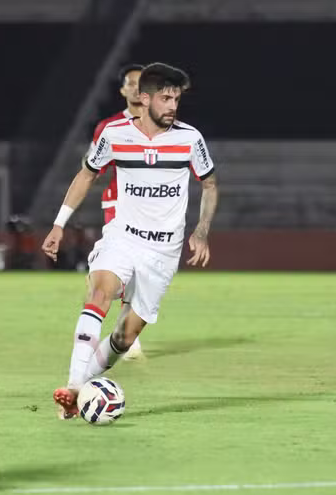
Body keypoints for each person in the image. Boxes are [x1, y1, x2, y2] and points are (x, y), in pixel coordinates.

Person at [42, 62, 219, 418]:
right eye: (166, 99)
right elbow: (86, 175)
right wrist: (59, 224)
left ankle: (81, 389)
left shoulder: (189, 138)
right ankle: (74, 385)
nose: (172, 106)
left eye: (176, 100)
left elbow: (210, 184)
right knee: (100, 291)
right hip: (123, 237)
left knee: (124, 338)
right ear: (144, 98)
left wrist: (201, 230)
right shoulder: (114, 135)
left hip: (164, 251)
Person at [93, 63, 146, 359]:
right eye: (131, 84)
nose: (137, 89)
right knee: (123, 263)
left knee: (142, 270)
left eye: (143, 84)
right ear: (123, 90)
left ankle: (125, 330)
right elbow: (93, 167)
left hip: (151, 208)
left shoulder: (162, 124)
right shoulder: (109, 126)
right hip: (118, 203)